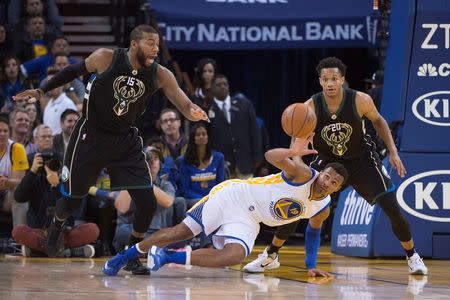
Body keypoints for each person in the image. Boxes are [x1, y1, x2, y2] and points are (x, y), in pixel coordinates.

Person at [13, 25, 209, 276]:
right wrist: (41, 90)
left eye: (158, 44)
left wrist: (192, 110)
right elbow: (72, 71)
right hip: (90, 135)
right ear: (135, 44)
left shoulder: (160, 74)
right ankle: (56, 225)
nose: (156, 49)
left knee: (147, 203)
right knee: (72, 200)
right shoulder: (106, 57)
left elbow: (181, 100)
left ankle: (131, 255)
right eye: (151, 43)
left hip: (124, 140)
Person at [243, 57, 428, 275]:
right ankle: (271, 255)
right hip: (328, 161)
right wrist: (300, 172)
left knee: (392, 208)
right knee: (298, 203)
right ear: (320, 81)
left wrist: (394, 152)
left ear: (342, 80)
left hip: (362, 160)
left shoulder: (360, 100)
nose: (330, 83)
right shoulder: (309, 107)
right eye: (325, 79)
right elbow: (297, 147)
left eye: (334, 78)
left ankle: (413, 256)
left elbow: (378, 121)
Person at [102, 135, 347, 276]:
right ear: (321, 172)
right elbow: (271, 157)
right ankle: (124, 256)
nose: (327, 182)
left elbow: (312, 232)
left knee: (235, 256)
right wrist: (292, 151)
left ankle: (167, 257)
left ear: (337, 189)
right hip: (234, 195)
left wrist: (311, 266)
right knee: (181, 232)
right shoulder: (304, 173)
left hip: (251, 219)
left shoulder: (322, 207)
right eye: (327, 176)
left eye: (334, 182)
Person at [12, 124, 99, 258]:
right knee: (18, 231)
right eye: (43, 137)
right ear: (35, 140)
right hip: (39, 230)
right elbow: (19, 197)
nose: (47, 139)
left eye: (50, 137)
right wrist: (33, 171)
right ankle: (67, 252)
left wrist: (57, 184)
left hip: (63, 230)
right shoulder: (29, 160)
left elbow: (72, 201)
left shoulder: (64, 160)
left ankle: (39, 250)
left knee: (93, 229)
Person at [208, 74, 262, 179]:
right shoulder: (207, 109)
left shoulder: (244, 104)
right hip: (222, 165)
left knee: (247, 194)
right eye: (218, 85)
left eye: (225, 84)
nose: (222, 86)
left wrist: (258, 157)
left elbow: (254, 132)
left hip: (245, 162)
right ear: (212, 89)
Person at [178, 122, 225, 208]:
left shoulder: (219, 157)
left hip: (214, 199)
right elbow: (185, 189)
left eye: (204, 134)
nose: (201, 136)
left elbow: (220, 184)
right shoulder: (183, 160)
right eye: (198, 134)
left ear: (207, 137)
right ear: (193, 138)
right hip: (193, 201)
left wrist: (212, 199)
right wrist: (203, 200)